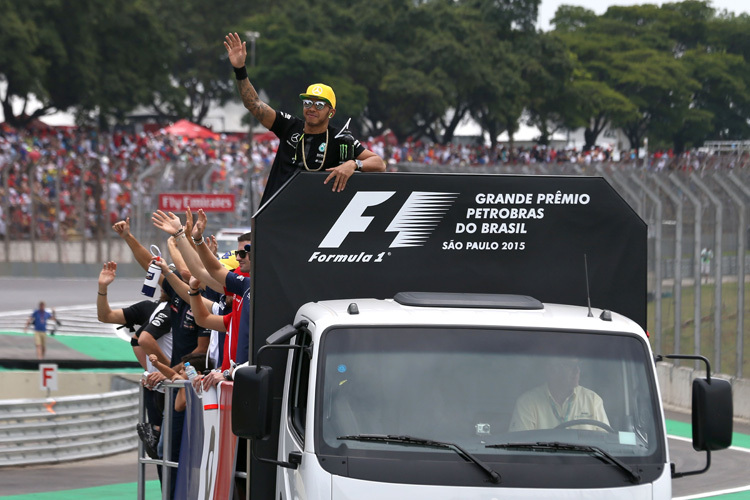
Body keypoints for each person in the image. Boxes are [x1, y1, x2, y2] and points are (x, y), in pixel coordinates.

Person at [223, 32, 386, 205]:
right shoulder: (289, 126)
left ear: (331, 112)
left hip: (311, 221)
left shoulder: (340, 140)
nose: (312, 108)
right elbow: (254, 104)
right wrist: (240, 70)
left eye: (320, 105)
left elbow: (379, 163)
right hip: (274, 214)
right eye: (308, 102)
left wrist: (353, 164)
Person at [509, 357, 610, 432]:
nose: (577, 371)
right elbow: (520, 447)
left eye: (579, 365)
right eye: (570, 366)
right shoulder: (527, 402)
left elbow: (606, 444)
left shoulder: (593, 400)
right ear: (551, 370)